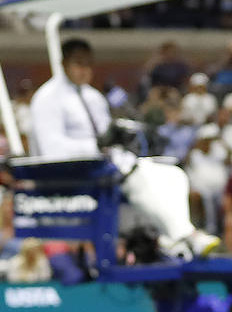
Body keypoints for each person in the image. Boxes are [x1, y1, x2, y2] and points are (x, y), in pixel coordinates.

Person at [29, 38, 218, 261]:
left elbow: (108, 139)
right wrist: (96, 146)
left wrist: (122, 138)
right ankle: (186, 236)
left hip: (107, 166)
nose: (84, 70)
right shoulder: (47, 98)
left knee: (173, 174)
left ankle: (176, 236)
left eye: (89, 64)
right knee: (140, 180)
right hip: (73, 175)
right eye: (78, 63)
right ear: (64, 64)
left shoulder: (94, 97)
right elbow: (52, 151)